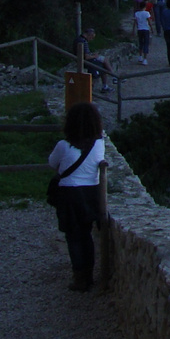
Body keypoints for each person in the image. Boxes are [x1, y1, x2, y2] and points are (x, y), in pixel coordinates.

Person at [47, 101, 105, 292]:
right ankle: (88, 274)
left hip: (70, 193)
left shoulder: (64, 146)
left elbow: (52, 163)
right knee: (86, 234)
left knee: (74, 236)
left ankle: (79, 276)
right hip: (91, 193)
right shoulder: (99, 144)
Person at [73, 26, 112, 93]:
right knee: (103, 63)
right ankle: (112, 76)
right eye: (92, 37)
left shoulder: (79, 39)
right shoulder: (83, 42)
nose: (91, 39)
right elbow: (86, 57)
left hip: (84, 59)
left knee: (103, 62)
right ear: (89, 35)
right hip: (86, 61)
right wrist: (94, 56)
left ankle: (106, 83)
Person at [132, 1, 152, 65]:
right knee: (146, 43)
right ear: (145, 7)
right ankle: (145, 59)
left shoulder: (136, 13)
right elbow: (149, 21)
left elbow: (135, 22)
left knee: (141, 43)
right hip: (146, 29)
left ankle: (140, 56)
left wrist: (133, 30)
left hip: (139, 29)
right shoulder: (147, 13)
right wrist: (151, 28)